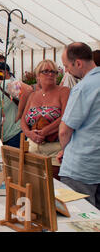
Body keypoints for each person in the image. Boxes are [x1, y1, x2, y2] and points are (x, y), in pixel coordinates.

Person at [58, 43, 100, 209]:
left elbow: (64, 131)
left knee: (80, 217)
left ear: (78, 63)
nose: (67, 71)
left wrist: (65, 150)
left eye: (67, 66)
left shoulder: (83, 88)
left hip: (81, 168)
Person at [21, 60, 70, 179]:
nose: (51, 74)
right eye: (46, 71)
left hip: (54, 149)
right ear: (38, 75)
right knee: (33, 185)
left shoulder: (64, 92)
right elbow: (23, 120)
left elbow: (65, 117)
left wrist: (45, 131)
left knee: (54, 188)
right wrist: (29, 134)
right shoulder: (33, 95)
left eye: (53, 71)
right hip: (32, 147)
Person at [0, 62, 30, 148]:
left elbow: (27, 90)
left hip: (15, 132)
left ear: (5, 72)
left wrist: (19, 113)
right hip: (9, 134)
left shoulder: (7, 83)